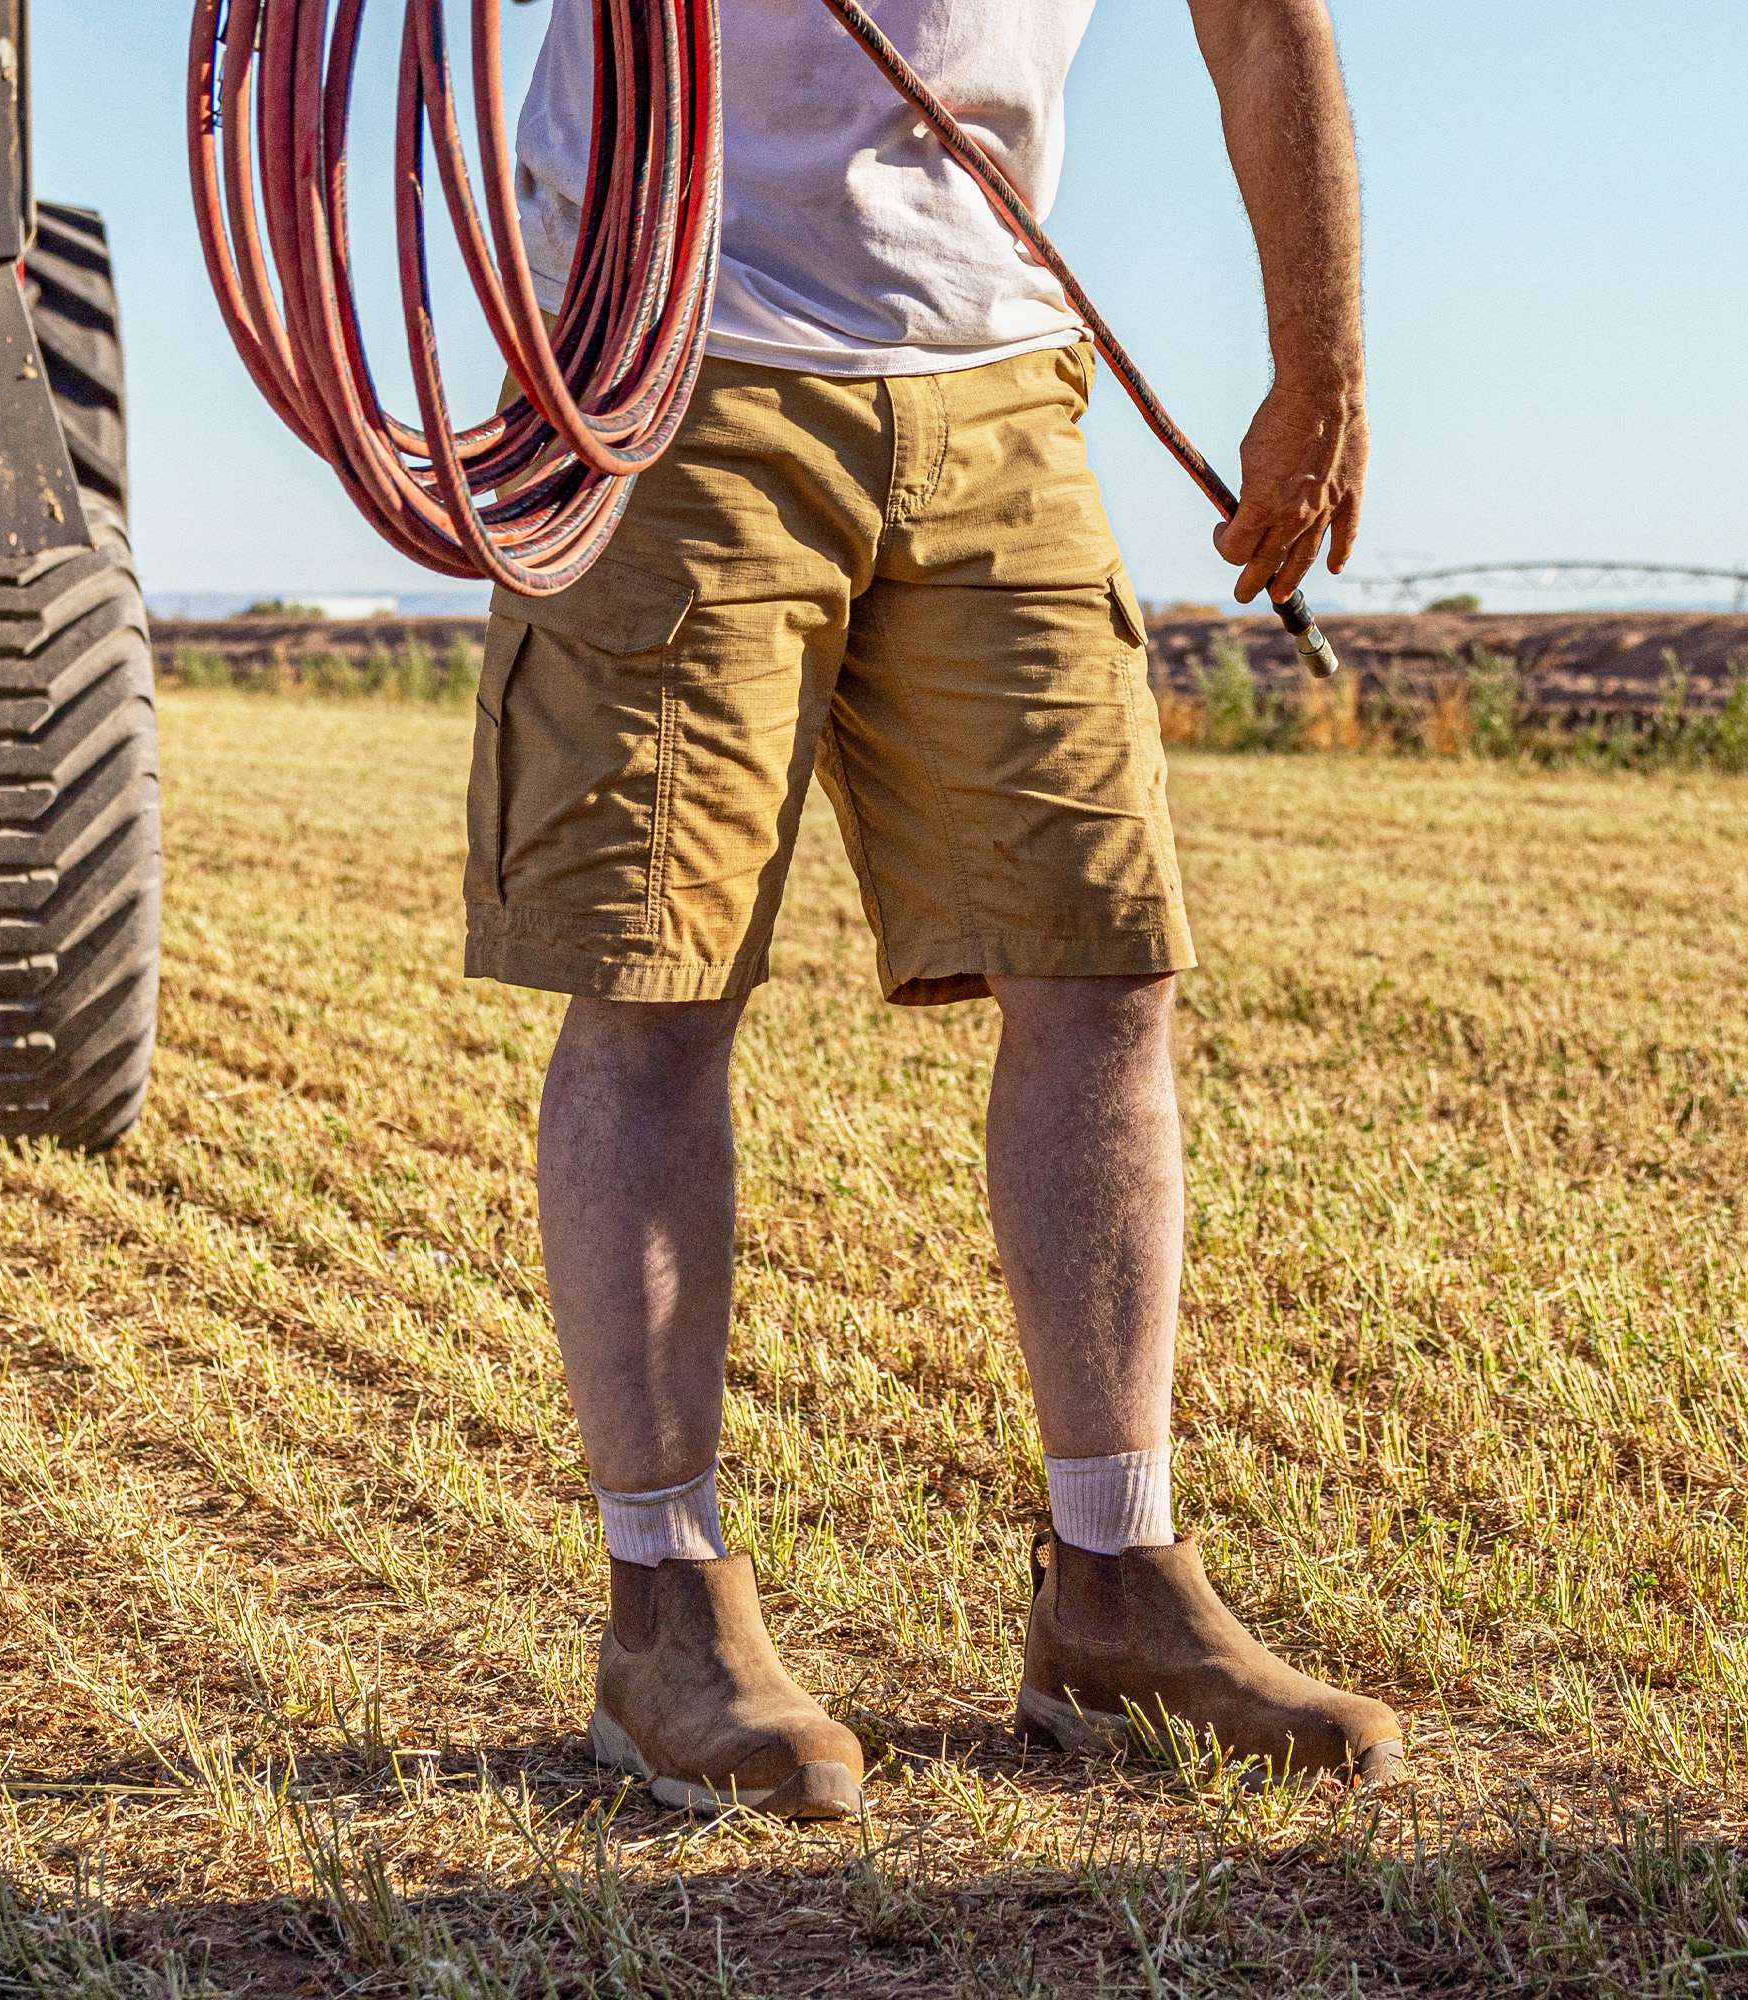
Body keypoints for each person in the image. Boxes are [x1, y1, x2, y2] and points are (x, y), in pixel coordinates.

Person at [465, 0, 1400, 1817]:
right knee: (656, 990)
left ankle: (1118, 1588)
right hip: (663, 362)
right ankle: (668, 1611)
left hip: (996, 378)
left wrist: (1321, 357)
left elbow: (1262, 25)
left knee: (1105, 969)